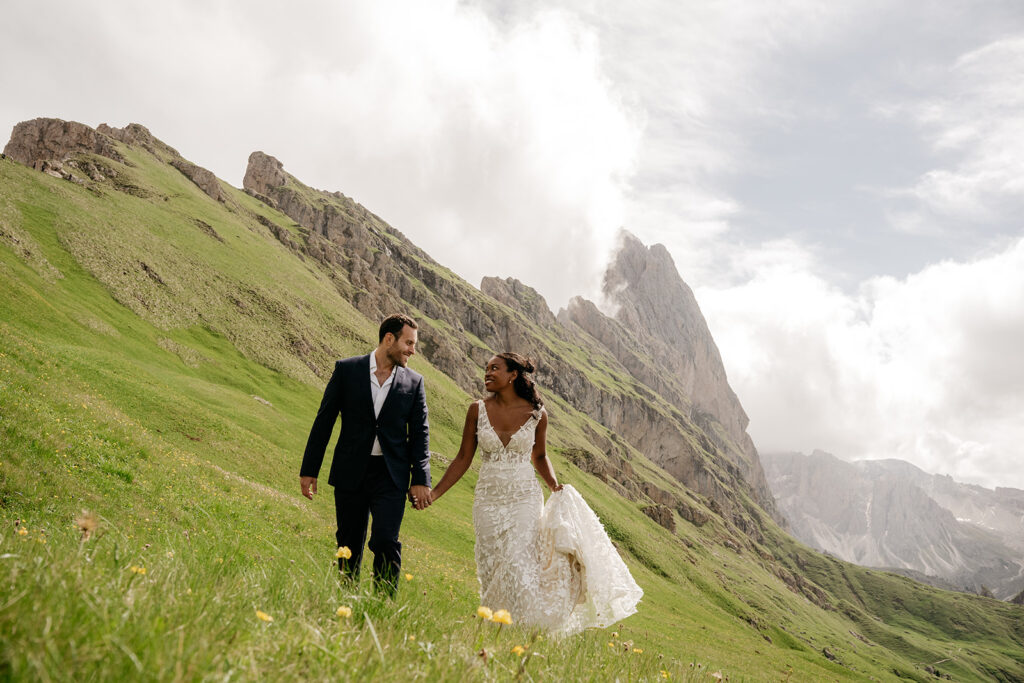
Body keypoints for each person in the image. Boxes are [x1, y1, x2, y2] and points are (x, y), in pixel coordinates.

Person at [429, 352, 642, 634]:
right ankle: (495, 629)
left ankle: (524, 629)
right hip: (488, 500)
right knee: (491, 566)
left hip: (524, 499)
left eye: (495, 368)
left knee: (517, 563)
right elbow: (462, 458)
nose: (487, 373)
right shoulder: (476, 409)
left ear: (513, 375)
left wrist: (554, 484)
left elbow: (539, 456)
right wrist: (434, 494)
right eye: (486, 369)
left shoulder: (537, 414)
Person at [299, 314, 432, 595]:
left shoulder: (415, 383)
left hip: (391, 475)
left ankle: (383, 605)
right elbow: (324, 421)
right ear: (388, 339)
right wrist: (309, 469)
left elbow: (420, 435)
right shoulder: (347, 370)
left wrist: (421, 479)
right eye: (408, 343)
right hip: (351, 470)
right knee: (348, 542)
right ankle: (346, 601)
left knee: (385, 540)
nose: (412, 350)